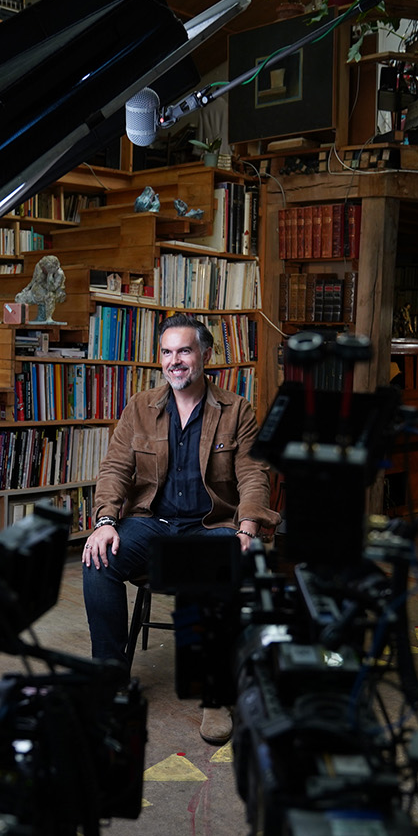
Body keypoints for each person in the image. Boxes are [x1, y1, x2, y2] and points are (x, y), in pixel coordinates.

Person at [82, 313, 280, 744]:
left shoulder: (237, 410)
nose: (175, 361)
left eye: (185, 351)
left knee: (209, 570)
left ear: (205, 356)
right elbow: (115, 468)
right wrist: (104, 522)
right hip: (152, 522)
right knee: (98, 561)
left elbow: (252, 474)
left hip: (213, 525)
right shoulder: (140, 407)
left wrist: (247, 527)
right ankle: (111, 680)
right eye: (167, 352)